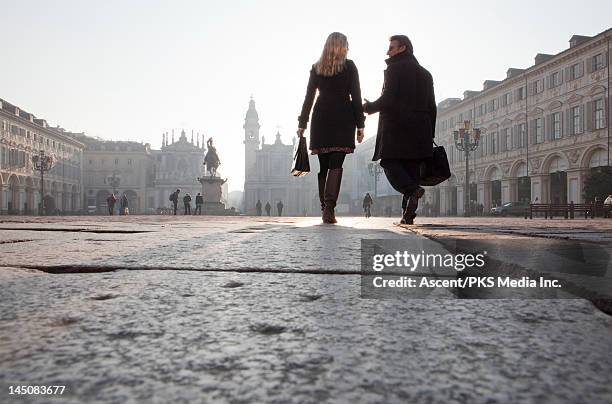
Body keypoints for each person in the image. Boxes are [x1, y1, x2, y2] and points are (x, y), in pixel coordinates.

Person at [363, 35, 436, 225]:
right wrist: (431, 133)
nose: (388, 52)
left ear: (403, 48)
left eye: (392, 48)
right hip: (421, 129)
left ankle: (412, 192)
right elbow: (432, 106)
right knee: (411, 169)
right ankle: (407, 215)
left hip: (397, 127)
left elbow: (387, 99)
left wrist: (368, 107)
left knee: (389, 163)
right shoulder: (426, 74)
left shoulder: (394, 69)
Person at [298, 32, 365, 224]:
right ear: (341, 46)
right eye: (347, 44)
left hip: (322, 118)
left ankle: (324, 208)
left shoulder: (317, 67)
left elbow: (309, 98)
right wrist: (360, 125)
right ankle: (329, 208)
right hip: (343, 118)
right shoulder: (350, 66)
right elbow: (357, 96)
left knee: (324, 166)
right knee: (336, 165)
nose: (349, 48)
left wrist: (302, 123)